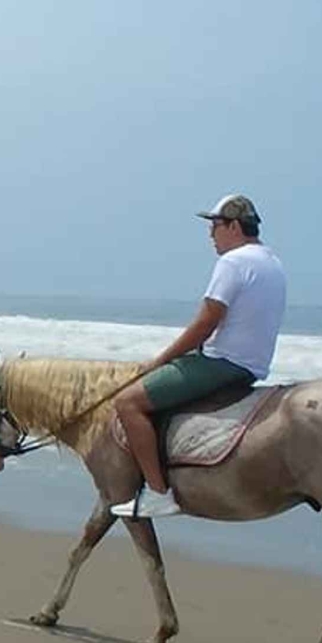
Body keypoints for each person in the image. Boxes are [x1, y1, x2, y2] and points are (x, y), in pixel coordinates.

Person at [109, 194, 287, 518]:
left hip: (221, 363)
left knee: (128, 403)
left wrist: (160, 360)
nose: (210, 235)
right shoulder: (272, 262)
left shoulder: (233, 262)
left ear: (234, 226)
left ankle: (158, 493)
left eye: (215, 226)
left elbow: (206, 322)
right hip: (253, 367)